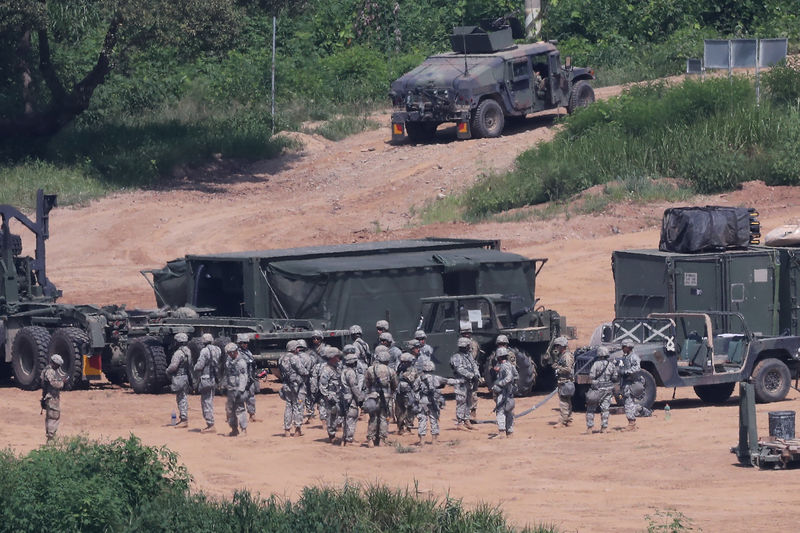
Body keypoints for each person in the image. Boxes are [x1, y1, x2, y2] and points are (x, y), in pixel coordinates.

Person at [363, 346, 398, 447]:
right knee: (383, 418)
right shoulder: (390, 371)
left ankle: (370, 440)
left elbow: (367, 384)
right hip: (385, 397)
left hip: (372, 397)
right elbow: (395, 385)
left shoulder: (370, 369)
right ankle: (382, 440)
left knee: (373, 418)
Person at [414, 360, 450, 445]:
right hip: (433, 401)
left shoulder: (419, 378)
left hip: (423, 401)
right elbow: (448, 381)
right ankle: (434, 440)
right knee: (434, 420)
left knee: (422, 420)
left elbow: (415, 389)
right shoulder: (436, 378)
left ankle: (422, 441)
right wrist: (460, 381)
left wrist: (417, 398)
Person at [585, 346, 618, 434]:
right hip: (608, 389)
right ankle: (604, 428)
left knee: (590, 408)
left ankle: (590, 428)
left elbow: (591, 376)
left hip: (597, 389)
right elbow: (615, 377)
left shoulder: (596, 364)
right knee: (605, 409)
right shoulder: (611, 364)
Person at [279, 340, 307, 437]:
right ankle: (297, 429)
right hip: (296, 386)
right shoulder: (295, 358)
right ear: (293, 348)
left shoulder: (281, 358)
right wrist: (307, 372)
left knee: (288, 406)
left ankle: (287, 430)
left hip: (286, 385)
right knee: (298, 406)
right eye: (297, 348)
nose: (298, 349)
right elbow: (302, 370)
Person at [450, 336, 479, 430]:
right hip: (460, 383)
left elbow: (474, 365)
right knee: (461, 401)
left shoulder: (468, 355)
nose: (469, 347)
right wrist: (471, 375)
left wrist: (476, 375)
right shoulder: (456, 357)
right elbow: (460, 370)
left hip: (468, 383)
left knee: (468, 401)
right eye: (468, 345)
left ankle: (467, 420)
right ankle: (460, 423)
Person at [619, 338, 648, 431]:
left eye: (624, 347)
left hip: (632, 383)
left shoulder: (633, 357)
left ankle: (631, 423)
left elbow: (637, 368)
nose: (622, 348)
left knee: (628, 402)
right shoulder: (626, 357)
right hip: (626, 383)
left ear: (628, 347)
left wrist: (627, 372)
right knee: (628, 402)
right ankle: (638, 414)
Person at [194, 333, 220, 433]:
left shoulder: (204, 351)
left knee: (206, 402)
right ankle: (210, 423)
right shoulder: (218, 349)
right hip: (214, 378)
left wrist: (195, 368)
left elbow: (200, 365)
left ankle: (210, 424)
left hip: (205, 379)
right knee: (210, 400)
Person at [166, 332, 192, 428]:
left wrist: (167, 371)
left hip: (179, 377)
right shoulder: (188, 351)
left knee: (181, 398)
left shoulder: (178, 353)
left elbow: (173, 366)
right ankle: (183, 418)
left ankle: (184, 419)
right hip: (185, 377)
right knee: (184, 397)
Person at [318, 347, 343, 444]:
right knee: (331, 416)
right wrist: (327, 397)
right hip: (331, 396)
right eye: (337, 356)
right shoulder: (326, 370)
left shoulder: (338, 367)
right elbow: (323, 386)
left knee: (340, 415)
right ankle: (331, 435)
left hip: (339, 395)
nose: (339, 358)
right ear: (332, 357)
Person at [340, 350, 365, 446]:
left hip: (344, 397)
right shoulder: (351, 373)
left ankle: (344, 439)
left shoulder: (343, 371)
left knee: (346, 419)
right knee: (352, 417)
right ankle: (349, 440)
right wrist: (360, 398)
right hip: (350, 398)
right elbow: (354, 387)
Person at [224, 342, 249, 436]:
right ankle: (234, 429)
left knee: (240, 409)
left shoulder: (241, 362)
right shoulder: (229, 360)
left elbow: (244, 376)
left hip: (238, 389)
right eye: (228, 353)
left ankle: (243, 429)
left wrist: (241, 390)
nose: (229, 354)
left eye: (231, 352)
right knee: (230, 410)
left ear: (235, 352)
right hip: (231, 388)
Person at [40, 353, 66, 442]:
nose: (58, 368)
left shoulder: (47, 370)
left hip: (49, 397)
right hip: (51, 398)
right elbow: (53, 383)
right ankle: (50, 439)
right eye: (58, 365)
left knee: (51, 417)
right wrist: (62, 383)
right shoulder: (50, 371)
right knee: (53, 417)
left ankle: (50, 438)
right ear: (54, 363)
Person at [551, 336, 575, 428]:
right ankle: (568, 419)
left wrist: (558, 369)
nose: (556, 348)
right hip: (564, 381)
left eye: (557, 346)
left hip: (566, 382)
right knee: (567, 402)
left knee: (564, 402)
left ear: (562, 346)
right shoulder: (563, 356)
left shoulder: (567, 356)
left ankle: (562, 421)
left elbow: (568, 369)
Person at [492, 347, 516, 438]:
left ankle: (502, 432)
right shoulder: (511, 365)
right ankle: (510, 432)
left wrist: (499, 384)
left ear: (499, 357)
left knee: (500, 411)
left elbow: (509, 378)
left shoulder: (504, 366)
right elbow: (516, 375)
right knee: (509, 411)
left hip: (503, 393)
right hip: (509, 392)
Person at [460, 322, 481, 420]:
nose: (466, 335)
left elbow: (472, 357)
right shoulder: (461, 344)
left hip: (472, 372)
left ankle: (472, 413)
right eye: (464, 334)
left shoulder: (472, 344)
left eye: (467, 334)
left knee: (472, 393)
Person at [237, 334, 260, 422]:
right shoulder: (237, 353)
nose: (245, 345)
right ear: (239, 343)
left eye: (246, 343)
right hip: (241, 379)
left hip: (250, 378)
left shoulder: (248, 352)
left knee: (251, 397)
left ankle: (252, 415)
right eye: (243, 343)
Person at [395, 352, 420, 435]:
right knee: (398, 411)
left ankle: (408, 428)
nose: (402, 364)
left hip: (409, 393)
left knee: (409, 410)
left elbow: (410, 379)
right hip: (399, 392)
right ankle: (400, 428)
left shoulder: (412, 369)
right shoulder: (399, 368)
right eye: (401, 362)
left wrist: (401, 374)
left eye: (404, 362)